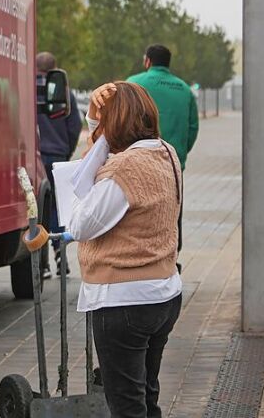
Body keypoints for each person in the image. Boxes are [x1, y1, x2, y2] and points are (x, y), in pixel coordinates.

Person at [69, 82, 182, 418]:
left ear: (115, 123)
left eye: (103, 121)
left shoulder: (124, 168)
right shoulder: (166, 153)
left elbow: (80, 224)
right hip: (163, 293)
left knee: (126, 406)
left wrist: (95, 132)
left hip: (124, 301)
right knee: (146, 398)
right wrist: (93, 122)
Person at [127, 44, 198, 253]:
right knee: (172, 215)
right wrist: (180, 154)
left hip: (137, 164)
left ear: (147, 61)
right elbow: (193, 127)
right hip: (172, 165)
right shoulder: (184, 89)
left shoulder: (133, 84)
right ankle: (171, 259)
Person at [35, 51, 82, 276]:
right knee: (56, 207)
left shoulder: (28, 90)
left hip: (34, 157)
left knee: (36, 209)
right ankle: (60, 252)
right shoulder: (64, 92)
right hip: (57, 157)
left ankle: (41, 262)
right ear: (55, 67)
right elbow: (75, 126)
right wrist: (67, 151)